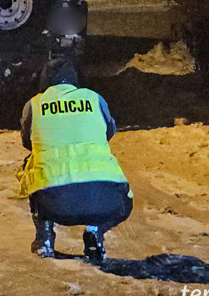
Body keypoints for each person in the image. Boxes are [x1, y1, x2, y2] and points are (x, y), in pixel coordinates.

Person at [18, 60, 132, 262]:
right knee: (124, 202)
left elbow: (27, 141)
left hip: (54, 203)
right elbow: (109, 131)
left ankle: (44, 238)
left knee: (33, 165)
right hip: (108, 200)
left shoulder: (34, 104)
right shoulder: (94, 98)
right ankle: (95, 230)